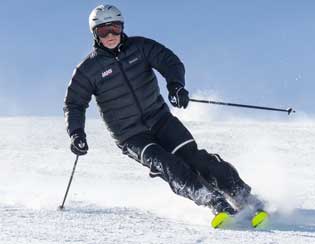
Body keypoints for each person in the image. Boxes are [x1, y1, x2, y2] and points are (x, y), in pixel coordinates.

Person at [64, 4, 264, 218]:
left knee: (196, 159)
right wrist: (77, 134)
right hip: (130, 134)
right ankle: (213, 200)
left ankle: (243, 197)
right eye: (104, 31)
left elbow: (169, 61)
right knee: (169, 165)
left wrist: (175, 85)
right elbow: (74, 103)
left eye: (115, 28)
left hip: (160, 118)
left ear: (122, 27)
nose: (111, 35)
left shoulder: (140, 47)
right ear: (95, 34)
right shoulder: (88, 70)